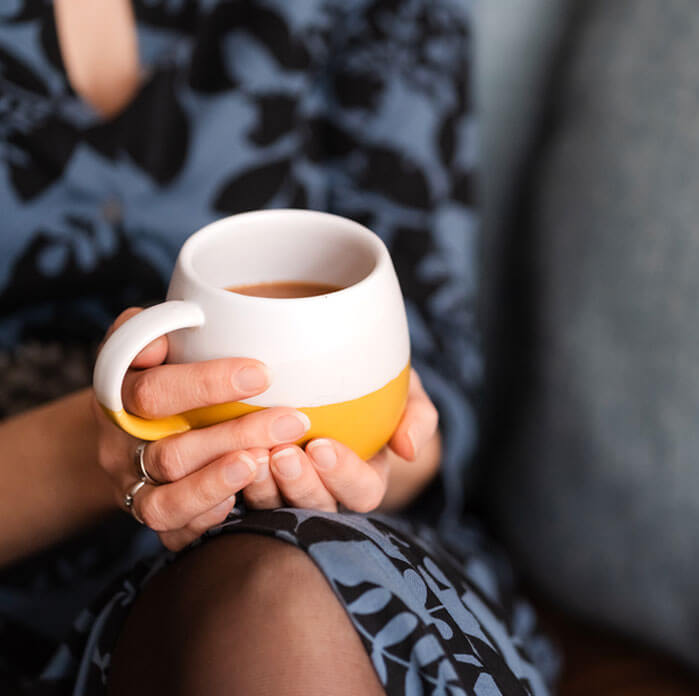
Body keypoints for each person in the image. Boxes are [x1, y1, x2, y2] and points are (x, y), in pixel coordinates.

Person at [0, 1, 557, 693]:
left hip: (350, 559)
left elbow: (439, 389)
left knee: (280, 596)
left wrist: (376, 446)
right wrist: (97, 452)